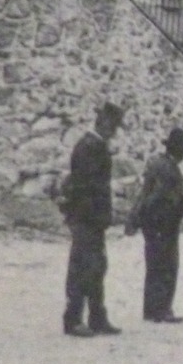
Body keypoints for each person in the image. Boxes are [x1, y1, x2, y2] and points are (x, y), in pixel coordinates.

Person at [60, 101, 126, 337]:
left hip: (91, 218)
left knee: (97, 267)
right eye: (113, 126)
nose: (114, 131)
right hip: (86, 218)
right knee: (82, 268)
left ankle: (97, 317)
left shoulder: (93, 145)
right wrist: (95, 217)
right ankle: (74, 319)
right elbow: (86, 188)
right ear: (104, 123)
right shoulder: (89, 147)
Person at [125, 125, 183, 323]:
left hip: (154, 225)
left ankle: (151, 309)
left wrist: (136, 219)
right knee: (167, 266)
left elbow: (143, 193)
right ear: (179, 149)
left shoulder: (156, 163)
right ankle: (163, 310)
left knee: (154, 266)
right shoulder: (169, 169)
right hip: (164, 225)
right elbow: (155, 196)